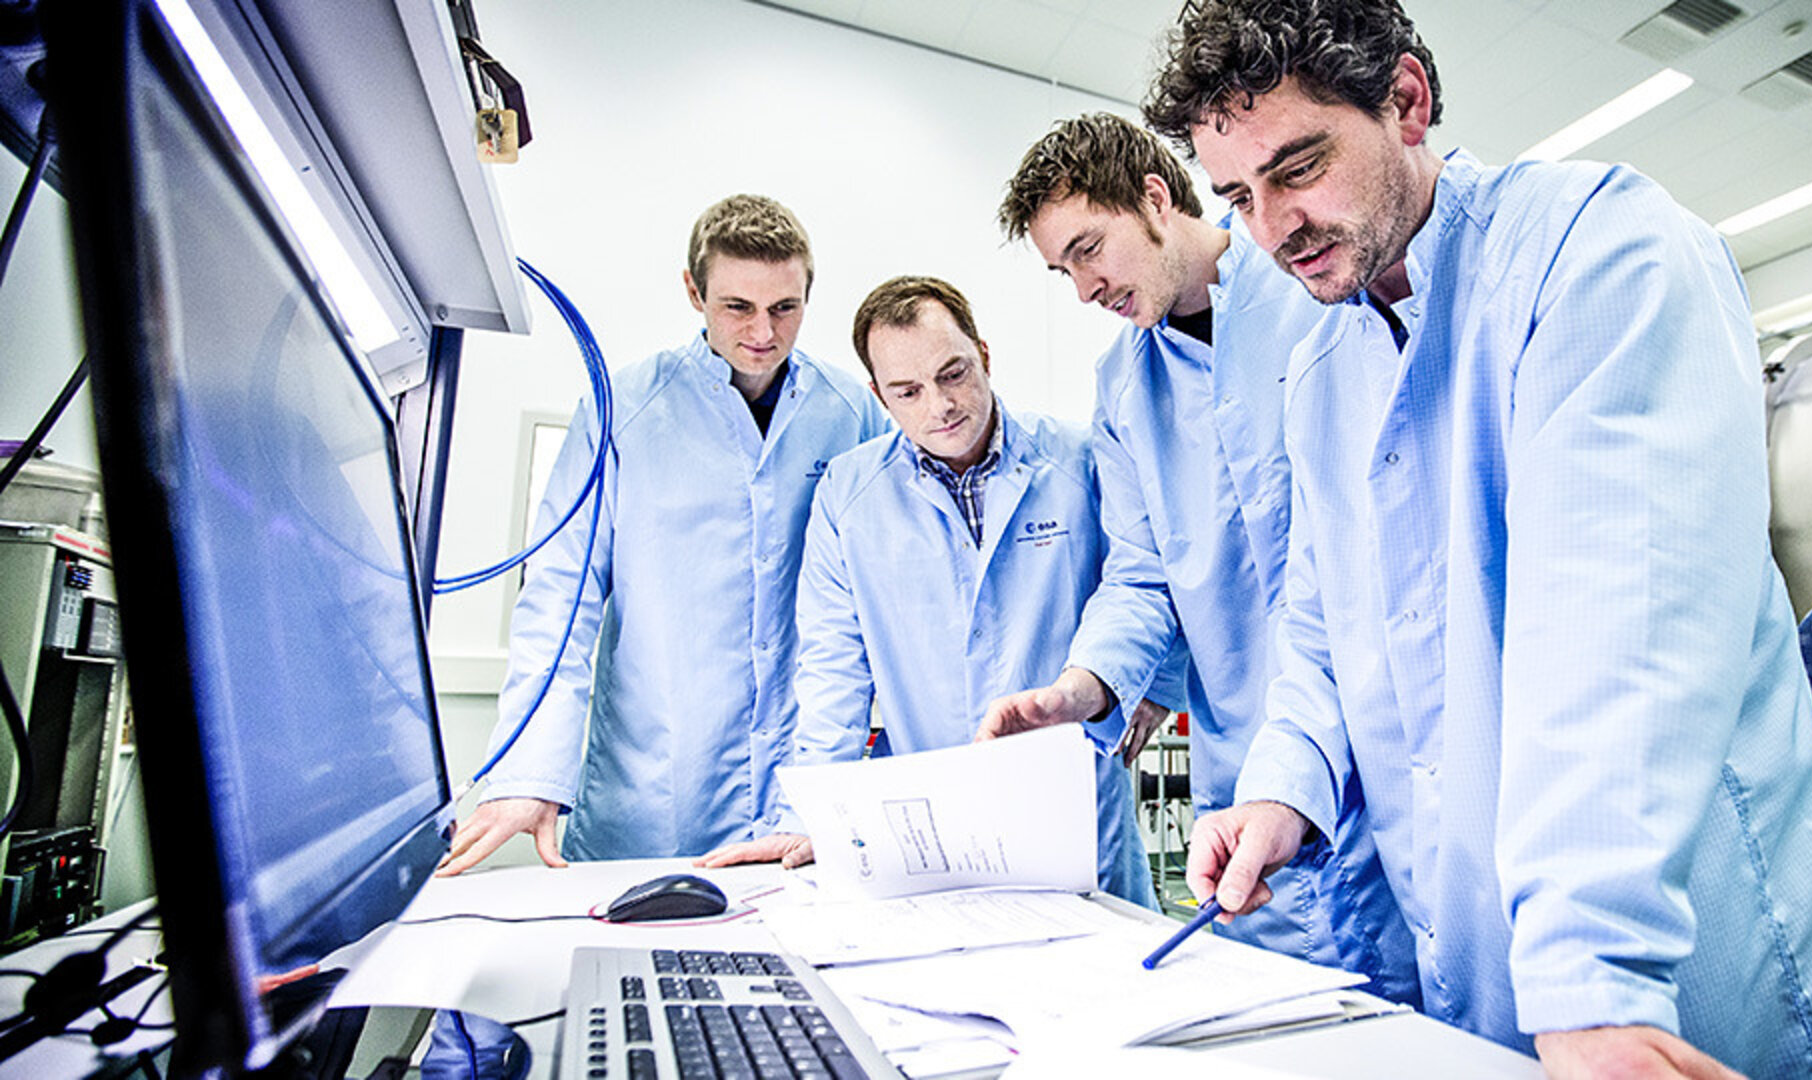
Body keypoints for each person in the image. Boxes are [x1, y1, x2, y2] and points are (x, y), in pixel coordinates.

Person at [1143, 1, 1812, 1076]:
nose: (1272, 229)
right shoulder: (1318, 369)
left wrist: (1591, 971)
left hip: (1664, 949)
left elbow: (1619, 625)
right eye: (1239, 197)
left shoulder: (1595, 253)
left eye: (1299, 167)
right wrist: (1283, 783)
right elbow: (1322, 623)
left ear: (1407, 101)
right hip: (1483, 958)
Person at [982, 113, 1416, 1004]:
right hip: (1249, 760)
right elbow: (1140, 573)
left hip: (1394, 736)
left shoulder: (1316, 292)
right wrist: (1082, 687)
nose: (1084, 287)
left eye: (1089, 249)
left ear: (1153, 198)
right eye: (1063, 268)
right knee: (1301, 1032)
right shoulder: (1122, 389)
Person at [438, 195, 891, 874]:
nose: (764, 332)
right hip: (651, 800)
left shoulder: (850, 410)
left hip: (802, 796)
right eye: (738, 306)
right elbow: (560, 598)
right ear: (693, 291)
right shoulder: (624, 408)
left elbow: (884, 587)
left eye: (785, 308)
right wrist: (530, 771)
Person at [698, 275, 1160, 909]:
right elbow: (834, 670)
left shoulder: (1078, 461)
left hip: (1076, 806)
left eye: (954, 374)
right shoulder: (848, 494)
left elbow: (1150, 576)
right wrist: (811, 817)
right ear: (879, 397)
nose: (939, 405)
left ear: (985, 356)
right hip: (930, 819)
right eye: (908, 391)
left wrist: (1153, 686)